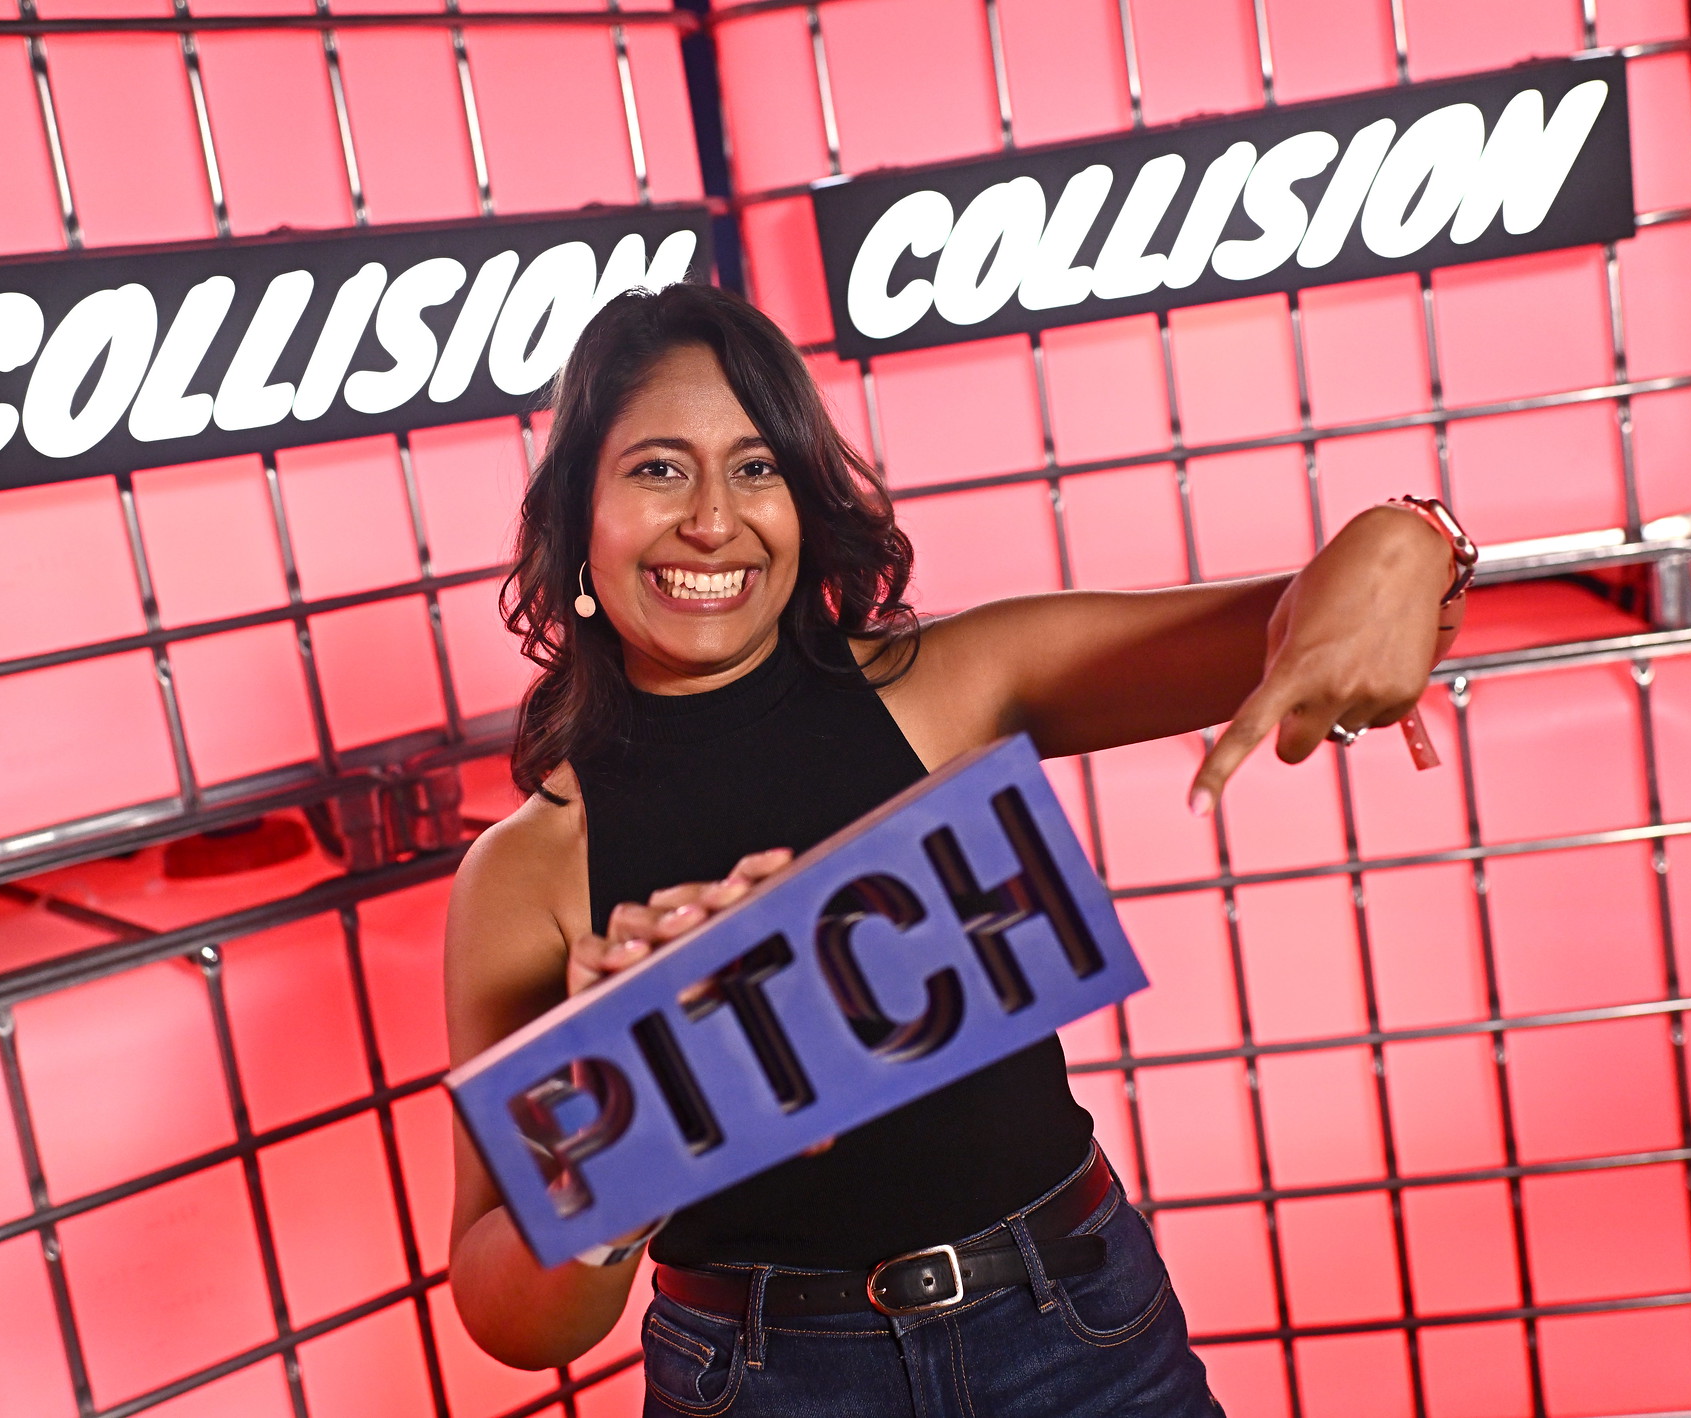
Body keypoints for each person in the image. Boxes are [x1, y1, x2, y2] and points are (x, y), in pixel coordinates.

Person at [444, 282, 1467, 1416]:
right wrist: (640, 1119)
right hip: (763, 1383)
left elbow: (1302, 626)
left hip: (1074, 1332)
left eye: (756, 465)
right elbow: (502, 1312)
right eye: (656, 468)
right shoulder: (528, 868)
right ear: (574, 516)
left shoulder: (954, 686)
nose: (711, 519)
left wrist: (1408, 537)